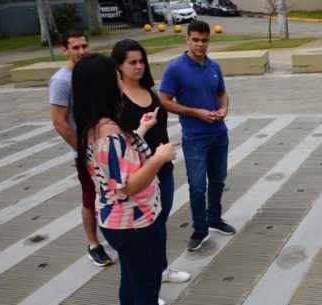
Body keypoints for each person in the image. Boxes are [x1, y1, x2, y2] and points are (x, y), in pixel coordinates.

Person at [73, 53, 175, 305]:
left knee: (131, 278)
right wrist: (159, 158)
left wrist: (141, 129)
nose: (121, 81)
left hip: (117, 221)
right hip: (133, 222)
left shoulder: (94, 125)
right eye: (117, 76)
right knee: (146, 285)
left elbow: (116, 163)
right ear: (106, 85)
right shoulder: (108, 133)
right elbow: (127, 186)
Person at [111, 39, 191, 284]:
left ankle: (161, 269)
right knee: (145, 232)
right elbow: (121, 142)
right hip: (139, 174)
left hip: (162, 169)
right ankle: (147, 284)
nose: (139, 66)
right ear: (119, 66)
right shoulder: (116, 99)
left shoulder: (148, 90)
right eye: (132, 62)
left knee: (160, 223)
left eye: (141, 61)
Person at [159, 20, 236, 252]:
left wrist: (224, 110)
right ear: (187, 39)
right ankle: (200, 229)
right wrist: (195, 113)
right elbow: (163, 100)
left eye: (204, 40)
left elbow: (222, 94)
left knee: (218, 180)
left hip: (219, 134)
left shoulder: (214, 67)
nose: (200, 44)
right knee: (197, 186)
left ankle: (214, 218)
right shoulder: (175, 68)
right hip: (195, 138)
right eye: (196, 40)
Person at [48, 30, 114, 267]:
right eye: (75, 47)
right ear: (65, 50)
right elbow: (59, 121)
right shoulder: (61, 81)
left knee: (110, 194)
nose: (82, 51)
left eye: (84, 46)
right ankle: (93, 244)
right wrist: (82, 149)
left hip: (105, 146)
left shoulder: (90, 74)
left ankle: (112, 233)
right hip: (85, 152)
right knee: (90, 197)